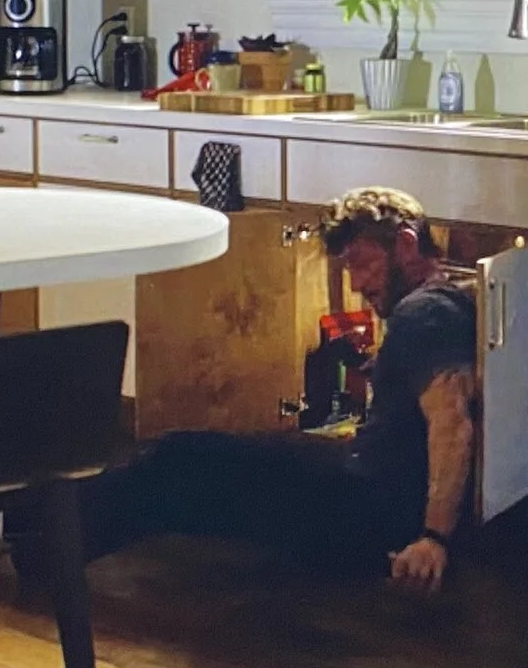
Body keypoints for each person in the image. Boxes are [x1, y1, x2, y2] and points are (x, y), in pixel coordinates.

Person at [31, 187, 480, 594]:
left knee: (179, 462)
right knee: (193, 459)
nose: (357, 284)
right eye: (349, 269)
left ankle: (35, 542)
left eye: (362, 263)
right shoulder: (449, 300)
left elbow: (453, 423)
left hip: (362, 507)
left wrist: (433, 537)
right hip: (365, 490)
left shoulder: (423, 314)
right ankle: (36, 532)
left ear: (406, 243)